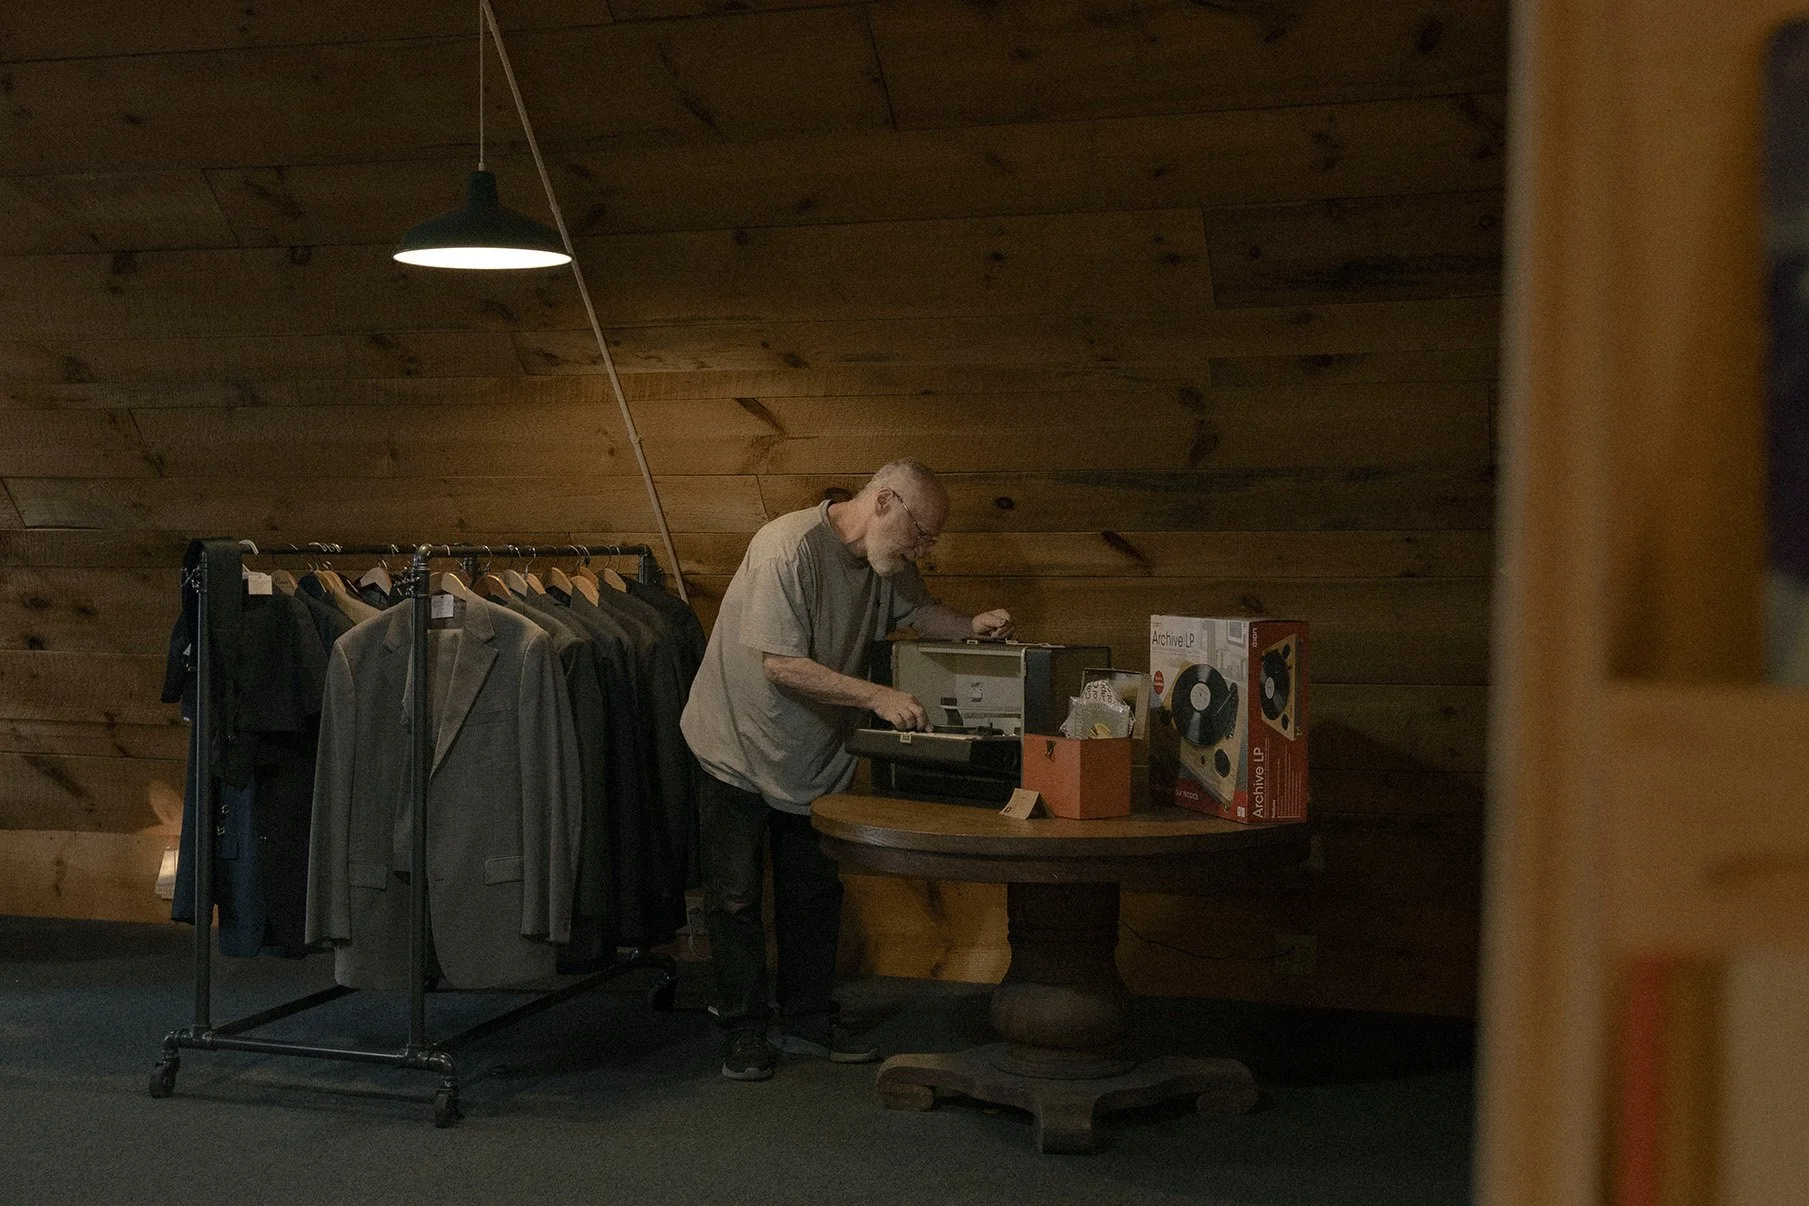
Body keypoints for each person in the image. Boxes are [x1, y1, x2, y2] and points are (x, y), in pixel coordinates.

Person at [680, 459, 1013, 1081]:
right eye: (922, 532)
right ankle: (742, 1029)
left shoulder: (888, 564)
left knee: (812, 892)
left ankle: (806, 1019)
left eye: (931, 539)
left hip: (812, 757)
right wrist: (876, 697)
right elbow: (781, 665)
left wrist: (971, 628)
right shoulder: (785, 548)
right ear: (884, 501)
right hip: (736, 744)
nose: (924, 547)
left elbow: (920, 613)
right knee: (734, 895)